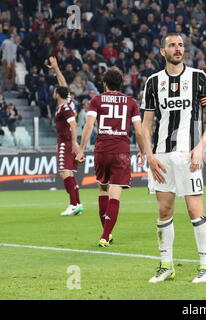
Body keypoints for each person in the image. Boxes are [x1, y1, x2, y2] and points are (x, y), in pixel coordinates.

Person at [140, 33, 206, 283]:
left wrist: (201, 147)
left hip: (188, 154)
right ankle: (166, 265)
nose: (177, 48)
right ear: (163, 51)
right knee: (164, 210)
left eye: (181, 45)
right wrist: (149, 155)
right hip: (162, 155)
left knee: (195, 210)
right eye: (172, 45)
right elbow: (147, 123)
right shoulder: (153, 82)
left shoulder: (198, 77)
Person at [76, 66, 146, 247]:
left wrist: (82, 149)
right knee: (115, 195)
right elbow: (138, 132)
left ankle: (106, 233)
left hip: (101, 150)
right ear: (121, 84)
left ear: (105, 83)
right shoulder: (131, 102)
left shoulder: (96, 100)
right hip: (121, 151)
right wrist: (142, 150)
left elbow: (89, 126)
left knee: (103, 190)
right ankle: (105, 235)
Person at [46, 57, 84, 216]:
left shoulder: (64, 109)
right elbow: (63, 84)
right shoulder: (67, 102)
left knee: (64, 172)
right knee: (68, 172)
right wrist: (55, 68)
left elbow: (73, 124)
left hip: (66, 142)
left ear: (57, 95)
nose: (54, 92)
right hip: (68, 142)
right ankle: (77, 204)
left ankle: (74, 204)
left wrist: (74, 143)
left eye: (54, 91)